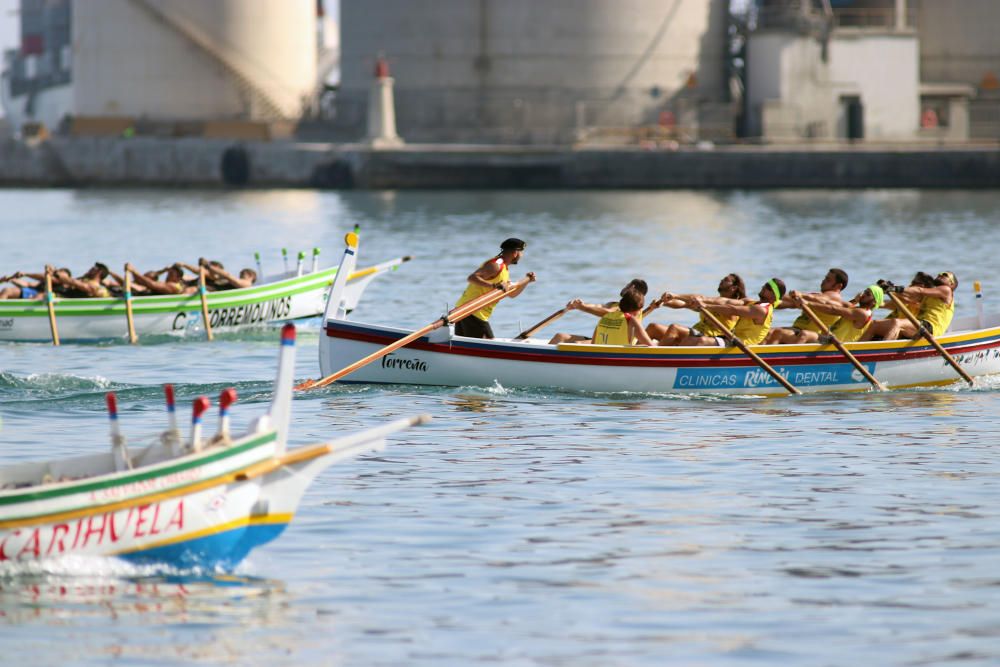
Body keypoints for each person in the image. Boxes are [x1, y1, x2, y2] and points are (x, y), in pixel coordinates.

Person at [454, 238, 536, 339]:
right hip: (473, 311)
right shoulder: (496, 265)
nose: (522, 255)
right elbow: (472, 277)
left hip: (467, 310)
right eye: (521, 252)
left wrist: (527, 281)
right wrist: (493, 286)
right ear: (515, 253)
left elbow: (511, 294)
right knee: (487, 345)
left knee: (465, 347)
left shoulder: (504, 269)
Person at [671, 278, 787, 346]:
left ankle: (672, 364)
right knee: (689, 338)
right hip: (732, 339)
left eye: (768, 287)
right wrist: (677, 296)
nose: (763, 286)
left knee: (698, 341)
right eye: (765, 284)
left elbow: (733, 310)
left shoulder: (761, 310)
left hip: (743, 345)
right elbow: (725, 301)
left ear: (773, 295)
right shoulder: (752, 303)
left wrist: (705, 306)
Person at [646, 273, 746, 345]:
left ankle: (655, 359)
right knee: (653, 327)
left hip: (709, 338)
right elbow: (684, 304)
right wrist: (664, 302)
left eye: (725, 280)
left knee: (674, 328)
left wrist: (676, 295)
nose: (721, 281)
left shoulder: (732, 305)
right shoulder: (711, 301)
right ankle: (634, 353)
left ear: (734, 288)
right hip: (695, 333)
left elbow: (700, 298)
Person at [861, 271, 957, 341]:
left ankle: (881, 354)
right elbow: (907, 296)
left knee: (897, 323)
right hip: (918, 325)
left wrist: (893, 288)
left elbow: (919, 290)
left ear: (951, 284)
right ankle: (856, 351)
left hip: (930, 328)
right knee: (873, 325)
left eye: (945, 275)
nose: (940, 274)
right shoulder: (927, 296)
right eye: (940, 273)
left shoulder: (947, 290)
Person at [548, 279, 648, 344]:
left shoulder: (628, 309)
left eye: (627, 285)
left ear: (632, 288)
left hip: (616, 342)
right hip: (606, 339)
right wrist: (580, 305)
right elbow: (599, 306)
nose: (624, 287)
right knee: (560, 336)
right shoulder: (616, 304)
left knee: (577, 344)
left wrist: (582, 308)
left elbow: (607, 312)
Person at [764, 268, 849, 344]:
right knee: (768, 332)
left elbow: (822, 301)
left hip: (814, 336)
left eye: (828, 280)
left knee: (779, 333)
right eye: (825, 278)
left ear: (838, 286)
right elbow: (788, 302)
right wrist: (769, 300)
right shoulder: (815, 296)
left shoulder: (835, 299)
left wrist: (801, 295)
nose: (823, 281)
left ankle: (769, 358)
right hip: (797, 329)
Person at [788, 284, 884, 344]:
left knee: (805, 334)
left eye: (868, 294)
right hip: (829, 339)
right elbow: (845, 307)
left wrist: (808, 303)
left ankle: (789, 362)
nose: (863, 295)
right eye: (864, 292)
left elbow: (834, 309)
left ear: (874, 302)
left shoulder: (863, 313)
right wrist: (855, 300)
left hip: (838, 344)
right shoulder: (858, 310)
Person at [591, 287, 657, 347]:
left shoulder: (604, 317)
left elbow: (593, 344)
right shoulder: (631, 321)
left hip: (600, 357)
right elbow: (652, 348)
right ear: (638, 310)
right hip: (618, 358)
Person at [125, 262, 197, 296]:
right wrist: (164, 270)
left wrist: (133, 271)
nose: (167, 277)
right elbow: (151, 276)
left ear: (178, 278)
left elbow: (150, 283)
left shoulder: (173, 286)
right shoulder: (178, 283)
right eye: (168, 274)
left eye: (171, 275)